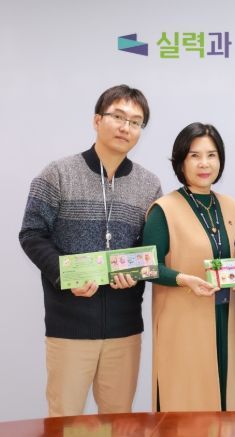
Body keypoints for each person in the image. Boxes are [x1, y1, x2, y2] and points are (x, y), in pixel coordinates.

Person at [19, 85, 162, 417]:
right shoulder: (57, 173)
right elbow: (32, 234)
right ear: (97, 120)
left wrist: (137, 273)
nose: (126, 127)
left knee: (119, 421)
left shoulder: (149, 184)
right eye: (118, 117)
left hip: (125, 328)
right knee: (65, 420)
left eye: (136, 122)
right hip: (69, 325)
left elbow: (149, 248)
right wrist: (65, 274)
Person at [142, 123, 235, 412]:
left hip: (226, 318)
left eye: (212, 155)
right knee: (186, 404)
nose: (204, 163)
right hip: (183, 322)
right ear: (181, 161)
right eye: (195, 156)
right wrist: (182, 279)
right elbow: (148, 267)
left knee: (227, 402)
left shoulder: (233, 207)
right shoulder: (164, 209)